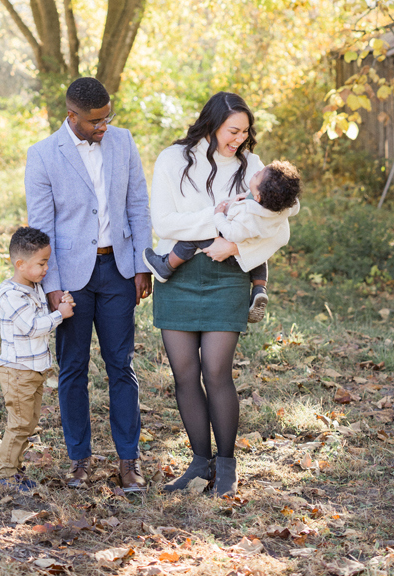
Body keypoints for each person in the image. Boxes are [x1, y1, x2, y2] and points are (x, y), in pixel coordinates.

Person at [25, 77, 153, 491]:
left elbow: (137, 204)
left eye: (108, 117)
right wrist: (53, 288)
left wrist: (141, 266)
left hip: (117, 270)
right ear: (72, 117)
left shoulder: (123, 141)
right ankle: (78, 459)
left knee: (122, 366)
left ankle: (128, 460)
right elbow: (42, 227)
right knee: (73, 368)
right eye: (96, 121)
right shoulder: (44, 155)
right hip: (71, 280)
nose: (104, 126)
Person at [149, 91, 272, 497]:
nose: (239, 139)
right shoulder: (172, 159)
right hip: (179, 275)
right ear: (212, 123)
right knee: (184, 375)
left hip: (226, 275)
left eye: (245, 132)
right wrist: (216, 217)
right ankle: (199, 465)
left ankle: (227, 466)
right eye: (232, 131)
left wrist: (236, 245)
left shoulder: (251, 165)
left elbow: (277, 223)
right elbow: (163, 221)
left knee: (216, 371)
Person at [144, 160, 301, 322]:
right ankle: (259, 288)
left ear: (258, 196)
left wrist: (218, 215)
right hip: (250, 252)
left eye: (258, 175)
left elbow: (233, 234)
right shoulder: (278, 210)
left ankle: (166, 266)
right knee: (260, 257)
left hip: (229, 251)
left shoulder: (248, 212)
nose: (256, 172)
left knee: (192, 238)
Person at [0, 226, 75, 490]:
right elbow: (33, 326)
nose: (46, 269)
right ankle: (4, 475)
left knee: (28, 422)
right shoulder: (12, 294)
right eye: (42, 263)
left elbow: (39, 313)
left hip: (33, 369)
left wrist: (60, 304)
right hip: (18, 370)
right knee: (20, 423)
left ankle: (15, 468)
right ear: (21, 264)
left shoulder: (32, 285)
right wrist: (61, 315)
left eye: (47, 262)